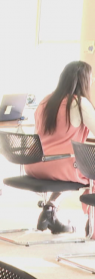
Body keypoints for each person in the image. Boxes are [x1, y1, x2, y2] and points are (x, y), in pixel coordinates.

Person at [24, 61, 95, 234]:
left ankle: (50, 210)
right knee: (89, 170)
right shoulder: (79, 103)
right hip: (60, 166)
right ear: (84, 80)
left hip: (34, 164)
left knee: (76, 166)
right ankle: (92, 224)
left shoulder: (45, 101)